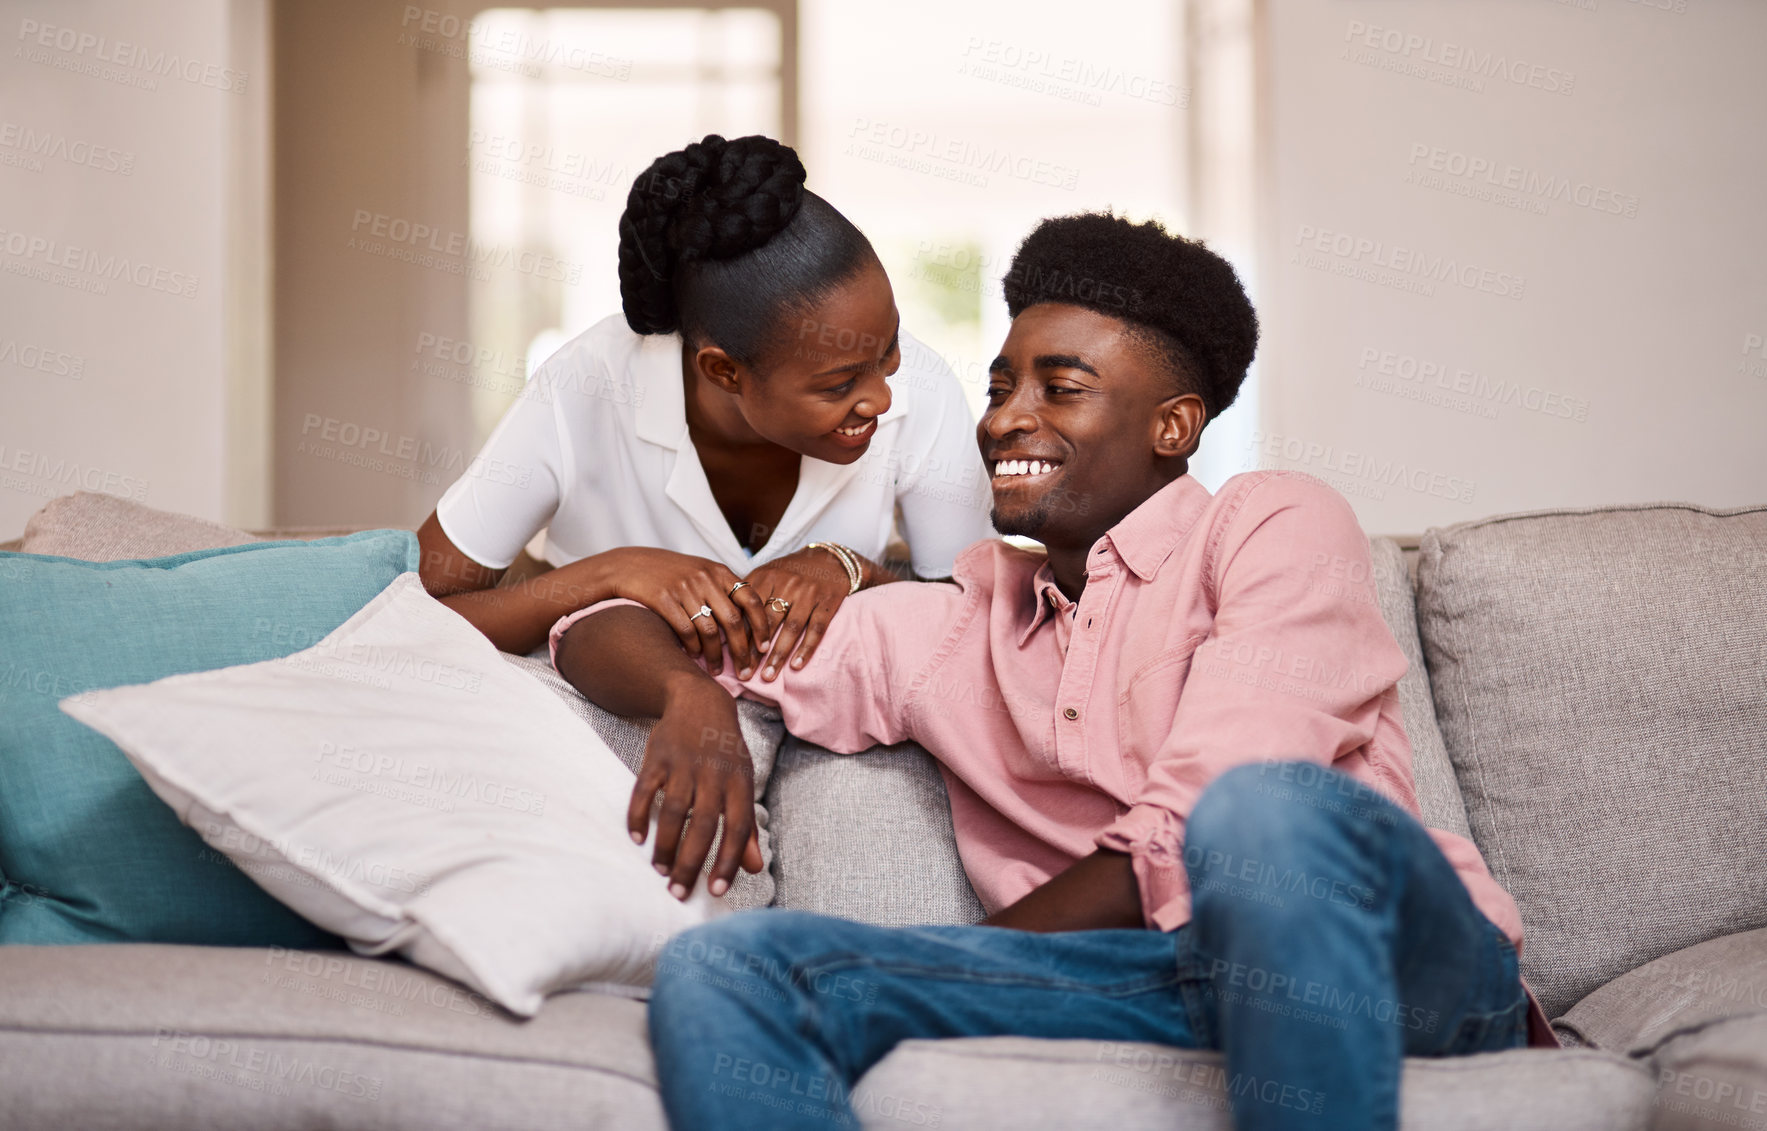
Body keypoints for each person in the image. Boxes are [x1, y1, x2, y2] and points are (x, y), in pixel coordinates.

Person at [548, 212, 1553, 1131]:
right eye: (998, 387)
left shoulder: (1271, 524)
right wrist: (689, 694)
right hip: (1147, 981)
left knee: (1258, 814)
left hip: (1389, 960)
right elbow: (605, 627)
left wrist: (988, 965)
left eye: (1058, 389)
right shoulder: (955, 621)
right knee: (731, 967)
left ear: (1174, 425)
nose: (1001, 420)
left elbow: (1213, 824)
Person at [417, 133, 993, 690]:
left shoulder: (924, 384)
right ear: (723, 371)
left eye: (888, 347)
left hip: (833, 707)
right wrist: (614, 572)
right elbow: (414, 613)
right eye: (840, 384)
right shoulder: (584, 386)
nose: (883, 398)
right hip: (622, 699)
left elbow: (974, 622)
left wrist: (852, 568)